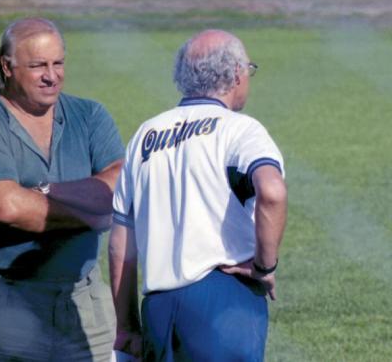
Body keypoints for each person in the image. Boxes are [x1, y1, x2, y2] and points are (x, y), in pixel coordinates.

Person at [0, 17, 124, 361]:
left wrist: (42, 192)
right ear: (8, 66)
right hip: (3, 302)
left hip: (84, 301)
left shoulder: (90, 115)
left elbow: (120, 186)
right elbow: (7, 209)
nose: (52, 75)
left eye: (58, 63)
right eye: (38, 65)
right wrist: (91, 211)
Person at [109, 29, 287, 361]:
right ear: (236, 74)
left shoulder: (145, 134)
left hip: (159, 308)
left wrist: (126, 326)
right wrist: (264, 266)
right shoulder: (240, 129)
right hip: (223, 300)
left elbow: (121, 244)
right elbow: (273, 192)